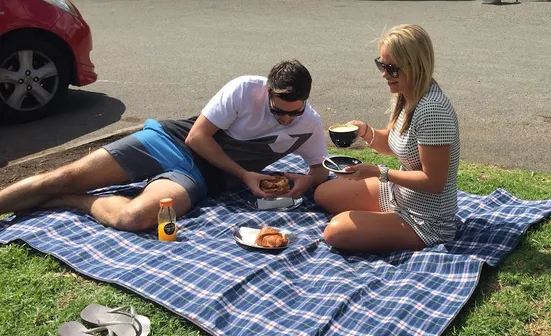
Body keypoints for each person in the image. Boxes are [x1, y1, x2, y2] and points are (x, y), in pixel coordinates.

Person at [0, 60, 329, 231]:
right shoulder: (245, 89)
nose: (286, 120)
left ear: (305, 102)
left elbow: (319, 170)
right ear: (267, 93)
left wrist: (304, 182)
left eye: (294, 113)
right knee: (59, 176)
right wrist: (245, 176)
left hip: (201, 179)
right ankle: (53, 193)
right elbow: (196, 137)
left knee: (134, 218)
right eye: (277, 111)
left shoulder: (309, 124)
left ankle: (70, 201)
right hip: (169, 141)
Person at [315, 24, 460, 254]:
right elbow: (395, 144)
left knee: (335, 231)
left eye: (391, 68)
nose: (384, 74)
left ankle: (384, 225)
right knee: (322, 194)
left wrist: (380, 173)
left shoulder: (432, 111)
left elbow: (434, 182)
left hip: (426, 220)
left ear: (416, 66)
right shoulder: (408, 95)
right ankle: (382, 223)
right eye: (381, 65)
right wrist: (365, 131)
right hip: (399, 196)